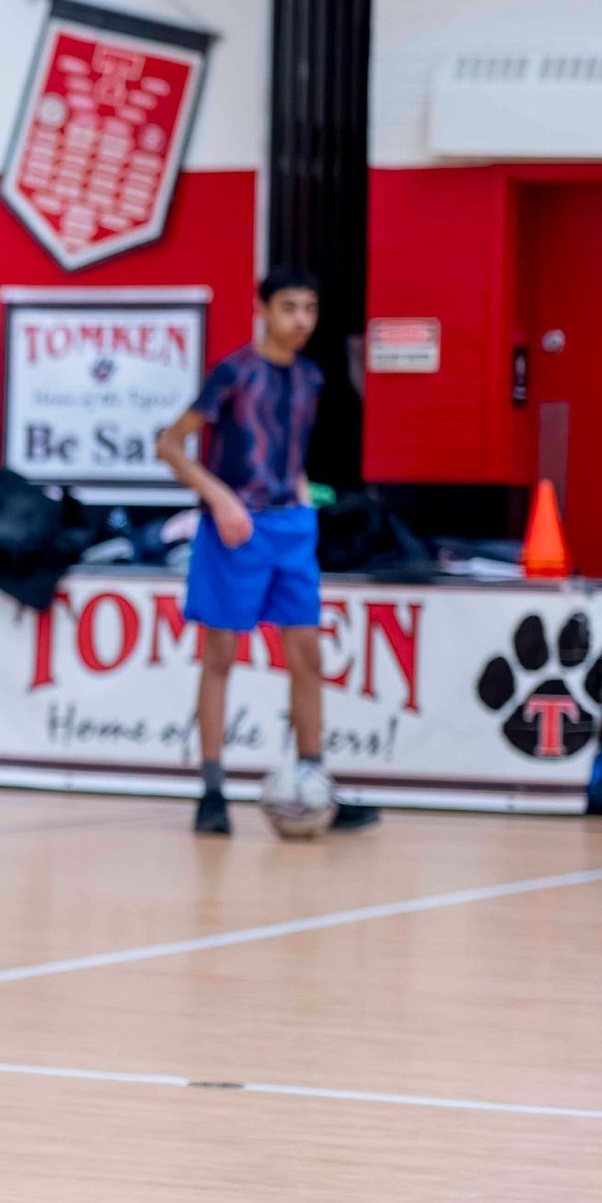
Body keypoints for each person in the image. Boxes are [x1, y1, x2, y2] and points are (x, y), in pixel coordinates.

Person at [156, 269, 381, 837]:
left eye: (310, 307)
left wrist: (302, 497)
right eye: (289, 307)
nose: (301, 319)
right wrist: (218, 497)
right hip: (235, 527)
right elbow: (169, 443)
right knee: (221, 655)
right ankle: (211, 793)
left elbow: (288, 451)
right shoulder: (234, 373)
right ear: (262, 309)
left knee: (306, 655)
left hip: (291, 528)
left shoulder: (310, 376)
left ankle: (314, 781)